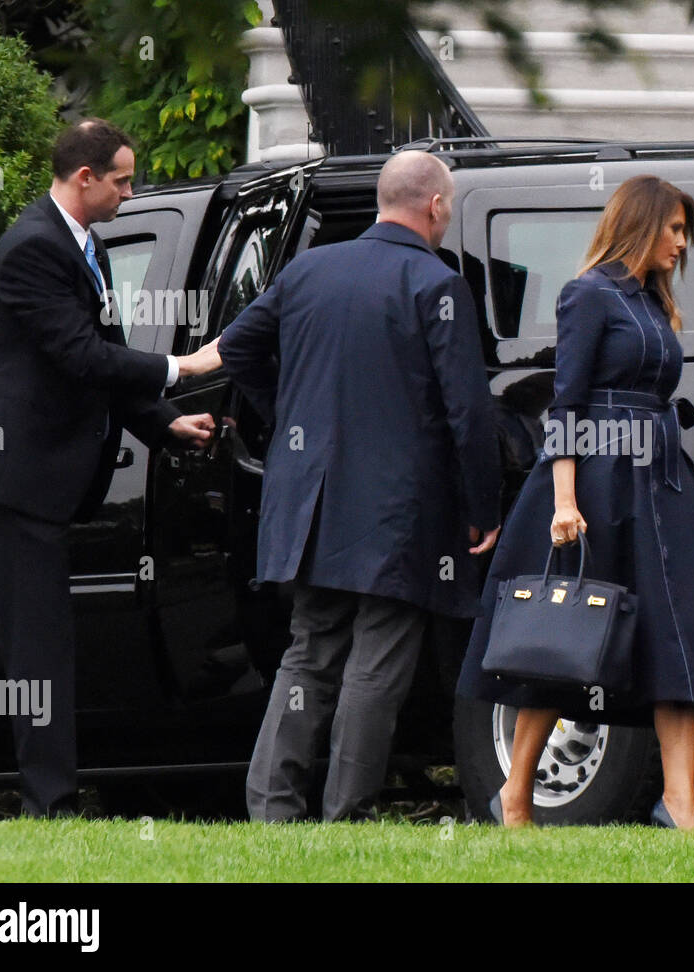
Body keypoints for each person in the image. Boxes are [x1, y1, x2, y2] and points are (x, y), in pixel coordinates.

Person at [219, 150, 502, 822]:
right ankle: (346, 814)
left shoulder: (308, 270)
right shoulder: (434, 284)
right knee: (377, 661)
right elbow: (468, 411)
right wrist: (482, 506)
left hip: (311, 502)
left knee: (308, 655)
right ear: (435, 206)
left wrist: (284, 413)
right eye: (449, 205)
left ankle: (271, 806)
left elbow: (236, 350)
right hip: (398, 513)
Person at [0, 118, 220, 817]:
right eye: (124, 180)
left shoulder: (81, 244)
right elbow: (81, 356)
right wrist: (181, 366)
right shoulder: (36, 247)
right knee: (39, 648)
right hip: (19, 482)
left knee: (9, 644)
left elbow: (102, 361)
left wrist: (164, 422)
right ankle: (52, 804)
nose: (132, 191)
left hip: (35, 480)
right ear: (85, 178)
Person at [456, 174, 694, 830]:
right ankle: (516, 794)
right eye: (672, 229)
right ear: (640, 224)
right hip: (595, 483)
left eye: (683, 232)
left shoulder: (651, 300)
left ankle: (680, 805)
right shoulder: (588, 295)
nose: (681, 244)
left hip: (660, 485)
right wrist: (563, 499)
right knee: (565, 640)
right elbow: (567, 403)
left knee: (677, 641)